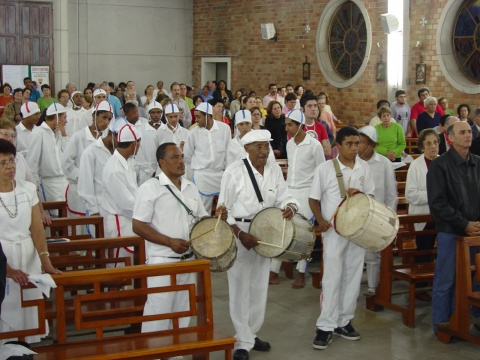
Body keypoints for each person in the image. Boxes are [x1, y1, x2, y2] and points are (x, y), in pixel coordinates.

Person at [218, 129, 299, 360]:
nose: (265, 152)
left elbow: (285, 195)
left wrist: (291, 206)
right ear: (246, 149)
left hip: (266, 234)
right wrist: (240, 234)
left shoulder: (273, 170)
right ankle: (241, 340)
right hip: (241, 234)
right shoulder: (233, 172)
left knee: (259, 287)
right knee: (240, 287)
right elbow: (224, 210)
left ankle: (251, 334)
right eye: (259, 147)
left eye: (266, 146)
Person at [132, 143, 222, 333]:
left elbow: (201, 218)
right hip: (162, 261)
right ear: (162, 162)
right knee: (158, 312)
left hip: (188, 260)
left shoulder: (190, 187)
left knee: (183, 312)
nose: (181, 161)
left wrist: (217, 219)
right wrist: (169, 241)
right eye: (175, 158)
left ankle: (175, 354)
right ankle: (154, 354)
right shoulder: (150, 188)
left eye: (181, 157)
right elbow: (138, 225)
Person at [309, 126, 375, 350]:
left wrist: (360, 195)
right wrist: (320, 220)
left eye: (357, 143)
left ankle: (344, 321)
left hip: (357, 231)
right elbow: (313, 199)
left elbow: (371, 198)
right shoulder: (325, 169)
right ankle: (325, 325)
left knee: (353, 275)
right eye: (350, 144)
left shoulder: (364, 168)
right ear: (338, 146)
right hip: (334, 232)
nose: (355, 148)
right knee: (333, 277)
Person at [0, 139, 61, 344]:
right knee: (6, 315)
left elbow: (36, 228)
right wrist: (6, 269)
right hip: (3, 257)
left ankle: (25, 348)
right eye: (2, 163)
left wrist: (45, 259)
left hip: (28, 256)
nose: (10, 167)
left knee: (28, 317)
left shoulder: (27, 188)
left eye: (11, 161)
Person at [427, 121, 480, 334]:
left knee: (477, 278)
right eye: (462, 132)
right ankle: (442, 322)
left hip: (475, 233)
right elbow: (438, 203)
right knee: (446, 278)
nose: (468, 135)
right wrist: (464, 223)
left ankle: (474, 317)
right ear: (450, 138)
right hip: (451, 231)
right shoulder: (440, 165)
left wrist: (476, 225)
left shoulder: (478, 163)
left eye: (469, 131)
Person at [270, 109, 326, 288]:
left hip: (307, 193)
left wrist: (316, 198)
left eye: (290, 124)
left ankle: (301, 272)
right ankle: (273, 270)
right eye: (286, 124)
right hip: (290, 192)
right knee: (283, 229)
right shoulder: (290, 144)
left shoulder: (314, 145)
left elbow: (321, 172)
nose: (287, 128)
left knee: (304, 233)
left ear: (300, 125)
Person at [357, 125, 397, 293]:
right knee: (357, 253)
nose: (358, 146)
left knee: (373, 254)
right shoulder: (354, 163)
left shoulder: (384, 164)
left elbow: (391, 194)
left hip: (378, 216)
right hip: (358, 214)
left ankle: (374, 288)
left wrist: (390, 219)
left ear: (372, 145)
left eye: (362, 143)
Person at [62, 101, 112, 226]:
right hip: (79, 190)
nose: (106, 122)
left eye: (109, 119)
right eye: (104, 117)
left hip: (100, 193)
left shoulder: (108, 139)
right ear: (94, 116)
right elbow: (66, 163)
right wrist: (84, 176)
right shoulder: (78, 137)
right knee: (80, 228)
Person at [405, 128, 439, 302]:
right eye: (428, 143)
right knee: (424, 250)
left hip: (442, 216)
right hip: (423, 216)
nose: (432, 146)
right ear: (421, 147)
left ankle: (437, 282)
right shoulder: (415, 166)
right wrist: (434, 195)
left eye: (435, 142)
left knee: (442, 250)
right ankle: (420, 286)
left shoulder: (444, 162)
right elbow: (411, 194)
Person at [102, 124, 141, 263]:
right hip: (121, 221)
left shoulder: (127, 161)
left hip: (130, 218)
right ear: (134, 144)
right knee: (118, 267)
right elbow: (126, 203)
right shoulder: (115, 168)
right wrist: (145, 214)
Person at [183, 102, 230, 215]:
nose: (196, 120)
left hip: (220, 174)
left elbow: (228, 153)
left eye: (199, 117)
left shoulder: (224, 129)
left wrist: (227, 173)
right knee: (203, 211)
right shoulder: (193, 133)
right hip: (202, 176)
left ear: (208, 116)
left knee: (225, 208)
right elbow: (187, 156)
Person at [27, 103, 69, 202]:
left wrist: (64, 134)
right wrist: (34, 186)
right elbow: (32, 162)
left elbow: (67, 154)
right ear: (56, 117)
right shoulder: (38, 133)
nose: (66, 121)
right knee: (54, 215)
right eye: (64, 117)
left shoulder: (59, 132)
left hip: (65, 181)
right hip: (49, 183)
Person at [78, 121, 119, 219]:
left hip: (118, 208)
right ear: (112, 134)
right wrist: (93, 211)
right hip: (99, 208)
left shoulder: (119, 152)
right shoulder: (90, 152)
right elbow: (85, 184)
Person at [300, 92, 332, 158]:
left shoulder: (321, 126)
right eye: (309, 106)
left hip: (318, 164)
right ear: (302, 109)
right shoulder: (297, 127)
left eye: (315, 106)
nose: (313, 109)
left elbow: (328, 151)